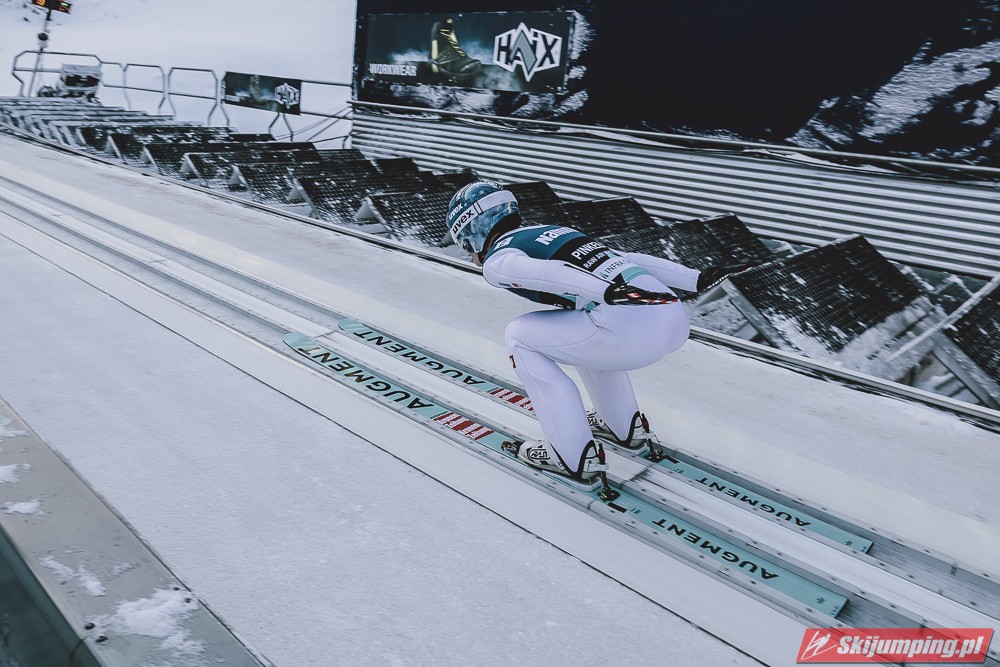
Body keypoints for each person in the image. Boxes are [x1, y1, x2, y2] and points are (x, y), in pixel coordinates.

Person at [446, 181, 751, 488]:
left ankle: (571, 455)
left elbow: (547, 273)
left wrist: (604, 291)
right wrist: (697, 279)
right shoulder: (553, 231)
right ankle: (622, 426)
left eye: (465, 242)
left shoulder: (498, 261)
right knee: (584, 329)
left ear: (474, 228)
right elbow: (628, 258)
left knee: (519, 336)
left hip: (628, 326)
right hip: (670, 316)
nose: (469, 253)